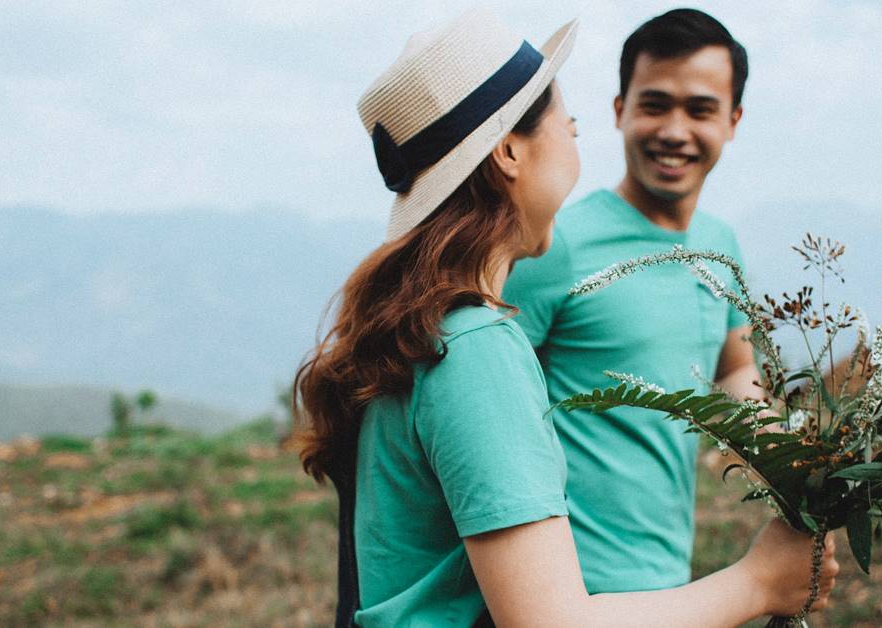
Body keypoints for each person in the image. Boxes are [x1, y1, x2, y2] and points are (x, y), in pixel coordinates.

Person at [293, 9, 836, 627]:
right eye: (568, 124)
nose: (576, 138)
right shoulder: (476, 347)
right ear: (508, 151)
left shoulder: (441, 327)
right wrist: (759, 582)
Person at [503, 9, 768, 593]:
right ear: (619, 111)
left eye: (700, 110)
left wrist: (793, 453)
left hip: (670, 578)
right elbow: (486, 400)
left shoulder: (720, 246)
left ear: (733, 120)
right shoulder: (555, 244)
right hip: (565, 588)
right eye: (654, 105)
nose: (674, 130)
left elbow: (736, 365)